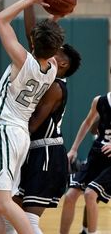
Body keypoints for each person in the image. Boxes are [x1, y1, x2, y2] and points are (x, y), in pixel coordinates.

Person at [0, 0, 65, 234]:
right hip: (18, 136)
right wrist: (53, 18)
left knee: (3, 202)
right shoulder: (53, 69)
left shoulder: (23, 60)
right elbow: (48, 42)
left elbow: (1, 19)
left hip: (7, 131)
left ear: (33, 44)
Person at [4, 0, 81, 234]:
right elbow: (34, 40)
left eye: (57, 52)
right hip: (33, 150)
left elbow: (34, 123)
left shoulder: (55, 87)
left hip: (46, 153)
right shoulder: (46, 73)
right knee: (10, 212)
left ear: (61, 64)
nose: (50, 50)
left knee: (29, 219)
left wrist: (8, 133)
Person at [59, 91, 111, 234]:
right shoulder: (99, 101)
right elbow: (88, 122)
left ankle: (89, 232)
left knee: (90, 194)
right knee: (69, 196)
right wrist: (74, 149)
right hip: (96, 156)